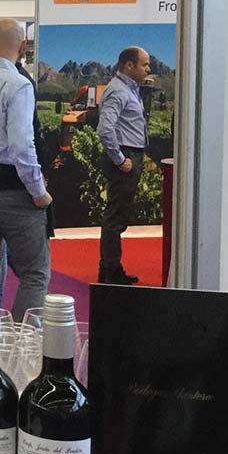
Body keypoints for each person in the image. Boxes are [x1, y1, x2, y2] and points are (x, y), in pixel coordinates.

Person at [0, 19, 52, 316]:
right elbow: (21, 146)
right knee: (35, 273)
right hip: (14, 192)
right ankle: (24, 342)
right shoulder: (18, 84)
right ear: (22, 47)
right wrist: (38, 191)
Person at [96, 46, 151, 284]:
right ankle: (110, 272)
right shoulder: (118, 91)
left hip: (129, 155)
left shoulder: (129, 89)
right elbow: (105, 129)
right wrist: (120, 159)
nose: (148, 69)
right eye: (144, 64)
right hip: (125, 157)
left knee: (119, 214)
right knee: (115, 217)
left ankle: (110, 269)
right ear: (129, 65)